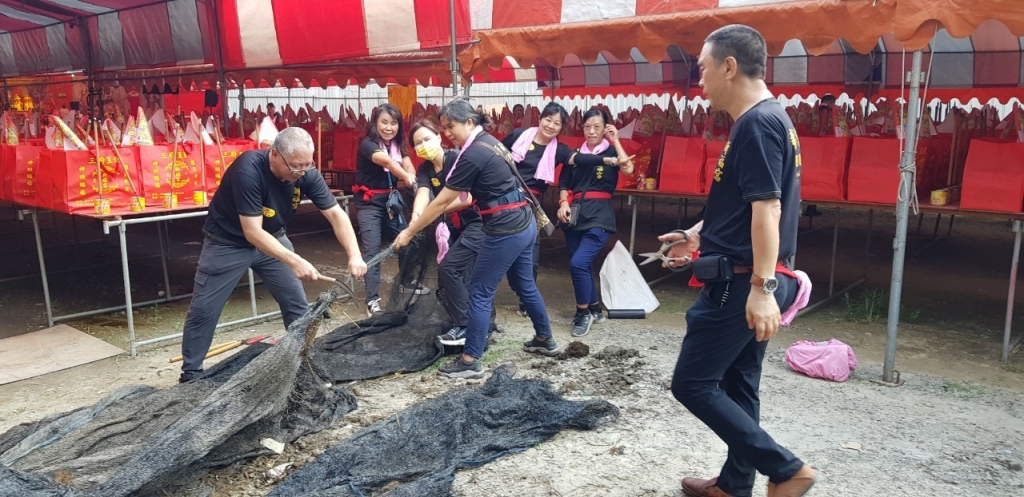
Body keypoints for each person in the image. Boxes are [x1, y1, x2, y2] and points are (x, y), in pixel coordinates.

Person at [662, 25, 815, 497]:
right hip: (748, 276)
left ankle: (787, 469)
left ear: (729, 67)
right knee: (740, 383)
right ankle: (734, 485)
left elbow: (768, 209)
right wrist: (695, 235)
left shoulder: (757, 124)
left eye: (703, 68)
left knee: (692, 384)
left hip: (743, 282)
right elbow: (743, 204)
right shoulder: (768, 118)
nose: (700, 81)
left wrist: (762, 289)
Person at [179, 127, 366, 383]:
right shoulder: (248, 170)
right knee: (204, 310)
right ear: (275, 154)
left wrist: (355, 255)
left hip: (274, 237)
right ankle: (191, 373)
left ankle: (303, 362)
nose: (301, 172)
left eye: (307, 165)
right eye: (295, 166)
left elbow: (336, 214)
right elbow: (252, 232)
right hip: (227, 243)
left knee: (297, 305)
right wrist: (294, 260)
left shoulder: (306, 171)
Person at [394, 98, 559, 379]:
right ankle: (545, 339)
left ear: (469, 122)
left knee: (480, 291)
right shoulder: (490, 143)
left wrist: (409, 231)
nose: (448, 132)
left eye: (451, 126)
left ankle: (471, 359)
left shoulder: (471, 154)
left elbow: (441, 202)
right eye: (444, 128)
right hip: (524, 221)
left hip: (505, 226)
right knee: (524, 284)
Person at [409, 119, 496, 345]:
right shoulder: (425, 169)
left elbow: (466, 198)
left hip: (479, 222)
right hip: (456, 226)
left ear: (439, 137)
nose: (423, 145)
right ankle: (480, 323)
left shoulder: (457, 159)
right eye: (418, 143)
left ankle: (466, 326)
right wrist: (416, 219)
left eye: (427, 139)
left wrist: (432, 212)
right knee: (462, 274)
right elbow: (422, 194)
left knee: (450, 268)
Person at [555, 108, 634, 337]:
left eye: (597, 127)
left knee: (578, 263)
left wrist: (616, 141)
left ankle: (583, 313)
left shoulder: (610, 151)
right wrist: (563, 203)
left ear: (605, 129)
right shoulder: (575, 155)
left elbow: (628, 169)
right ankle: (595, 309)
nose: (591, 131)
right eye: (587, 127)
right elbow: (564, 183)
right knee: (583, 265)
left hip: (600, 215)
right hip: (574, 216)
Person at [352, 103, 427, 317]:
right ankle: (372, 300)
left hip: (391, 203)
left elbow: (407, 163)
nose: (388, 127)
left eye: (393, 123)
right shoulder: (367, 144)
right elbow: (387, 162)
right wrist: (406, 177)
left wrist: (411, 174)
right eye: (384, 122)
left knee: (408, 239)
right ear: (375, 123)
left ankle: (406, 281)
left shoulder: (397, 144)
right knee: (372, 250)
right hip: (369, 204)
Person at [502, 102, 574, 317]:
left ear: (561, 128)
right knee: (500, 248)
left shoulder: (559, 150)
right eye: (548, 120)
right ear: (540, 118)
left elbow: (578, 159)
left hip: (530, 204)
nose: (551, 126)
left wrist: (609, 159)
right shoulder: (519, 135)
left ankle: (526, 299)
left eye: (557, 123)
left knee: (530, 252)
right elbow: (495, 154)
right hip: (504, 199)